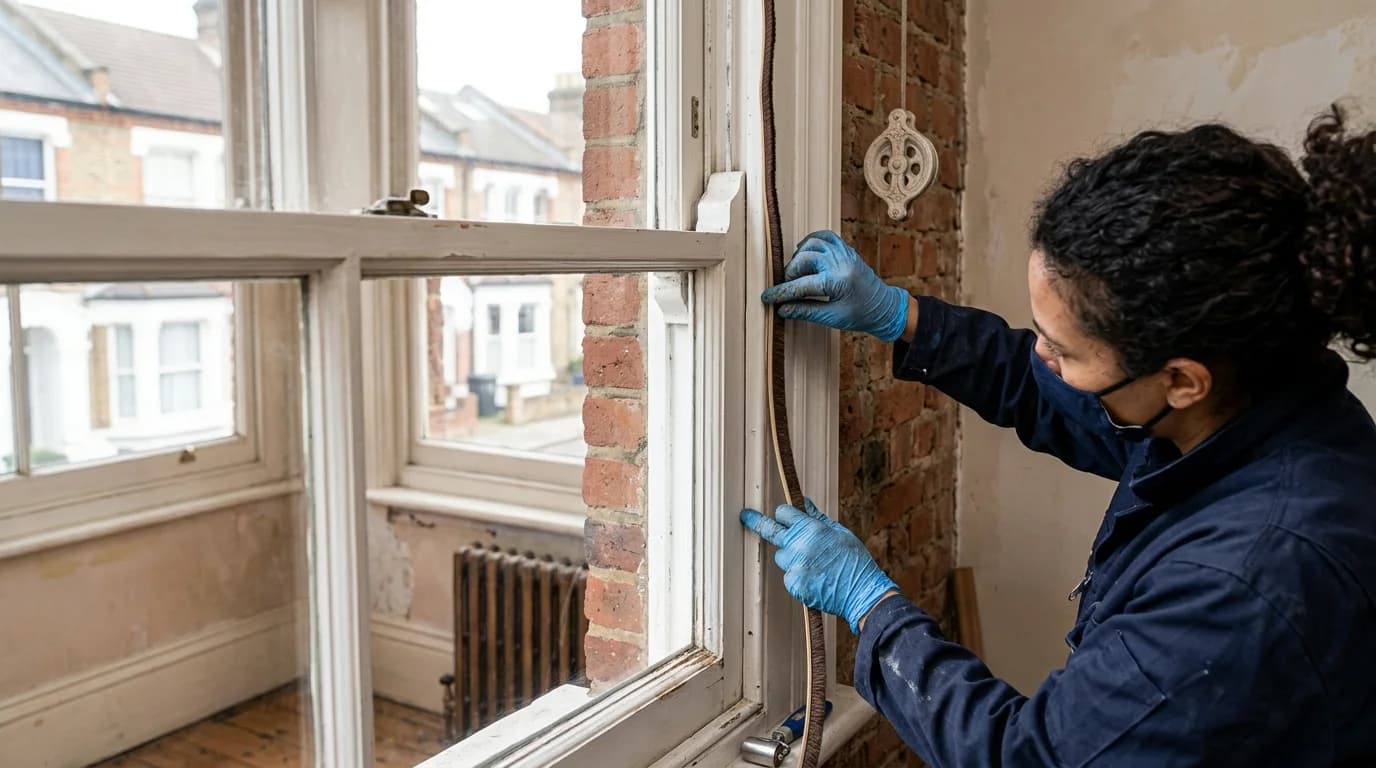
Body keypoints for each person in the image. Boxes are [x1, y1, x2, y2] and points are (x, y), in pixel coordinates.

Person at [741, 106, 1376, 765]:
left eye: (1065, 349)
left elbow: (1031, 757)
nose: (1041, 355)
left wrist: (871, 606)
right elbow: (1047, 391)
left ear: (1183, 379)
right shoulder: (1250, 405)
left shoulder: (1249, 582)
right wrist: (902, 317)